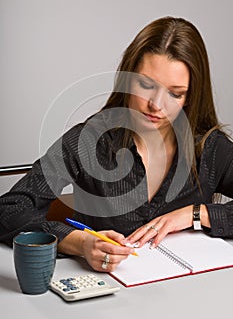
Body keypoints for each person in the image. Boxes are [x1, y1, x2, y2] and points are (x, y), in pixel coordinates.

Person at [1, 16, 233, 273]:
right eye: (146, 85)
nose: (155, 104)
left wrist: (196, 214)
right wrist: (79, 242)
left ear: (191, 96)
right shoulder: (88, 141)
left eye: (175, 93)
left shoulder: (210, 148)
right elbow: (9, 211)